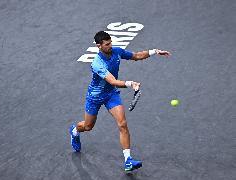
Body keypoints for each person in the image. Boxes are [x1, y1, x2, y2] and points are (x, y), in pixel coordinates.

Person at [69, 31, 171, 172]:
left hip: (111, 94)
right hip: (95, 97)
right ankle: (74, 131)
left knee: (122, 123)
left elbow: (136, 56)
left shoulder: (116, 51)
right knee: (87, 126)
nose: (111, 45)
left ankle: (128, 160)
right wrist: (131, 84)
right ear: (99, 46)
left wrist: (154, 51)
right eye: (107, 44)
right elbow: (112, 81)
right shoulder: (97, 63)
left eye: (110, 42)